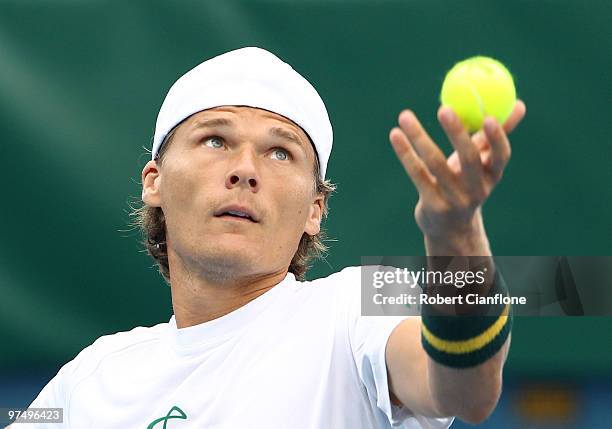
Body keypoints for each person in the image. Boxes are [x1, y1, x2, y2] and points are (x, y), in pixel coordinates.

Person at [12, 46, 526, 428]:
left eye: (280, 152)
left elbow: (466, 390)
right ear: (156, 182)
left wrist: (455, 230)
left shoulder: (362, 302)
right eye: (215, 139)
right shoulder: (88, 379)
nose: (245, 170)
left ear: (314, 210)